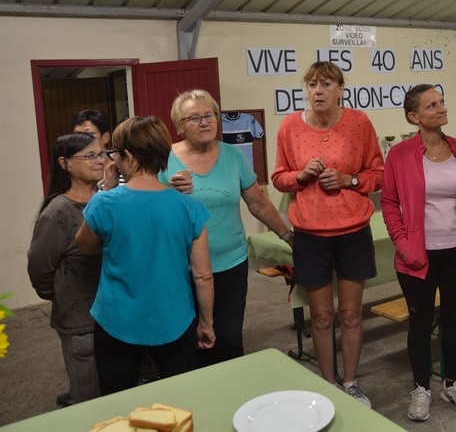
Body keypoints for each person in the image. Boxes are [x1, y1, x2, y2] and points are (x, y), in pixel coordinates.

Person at [75, 116, 215, 395]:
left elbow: (85, 247)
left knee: (119, 401)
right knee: (182, 398)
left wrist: (107, 188)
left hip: (117, 321)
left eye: (115, 153)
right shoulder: (188, 207)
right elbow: (203, 275)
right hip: (174, 319)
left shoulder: (104, 203)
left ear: (127, 156)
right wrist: (206, 323)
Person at [272, 61, 384, 406]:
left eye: (325, 84)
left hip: (353, 232)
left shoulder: (359, 123)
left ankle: (350, 383)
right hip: (310, 236)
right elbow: (278, 178)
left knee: (350, 315)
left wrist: (350, 179)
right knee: (320, 317)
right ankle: (328, 385)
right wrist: (301, 175)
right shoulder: (289, 127)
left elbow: (378, 175)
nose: (317, 91)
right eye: (312, 85)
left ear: (340, 90)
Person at [160, 89, 293, 367]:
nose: (204, 122)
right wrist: (168, 194)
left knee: (229, 339)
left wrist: (288, 236)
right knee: (188, 343)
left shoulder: (233, 155)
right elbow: (149, 211)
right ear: (179, 126)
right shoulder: (164, 159)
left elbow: (258, 203)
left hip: (230, 263)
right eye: (194, 118)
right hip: (182, 269)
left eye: (209, 115)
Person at [382, 84, 456, 422]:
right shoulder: (399, 155)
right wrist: (403, 244)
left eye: (442, 101)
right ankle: (421, 388)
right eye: (432, 105)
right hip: (417, 258)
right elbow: (389, 203)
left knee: (454, 321)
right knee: (420, 324)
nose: (442, 108)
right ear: (414, 117)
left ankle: (452, 384)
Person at [27, 132, 111, 404]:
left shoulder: (107, 200)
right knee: (89, 401)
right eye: (90, 155)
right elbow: (40, 267)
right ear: (65, 163)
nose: (99, 160)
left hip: (114, 318)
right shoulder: (58, 212)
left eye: (101, 153)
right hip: (81, 323)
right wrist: (62, 295)